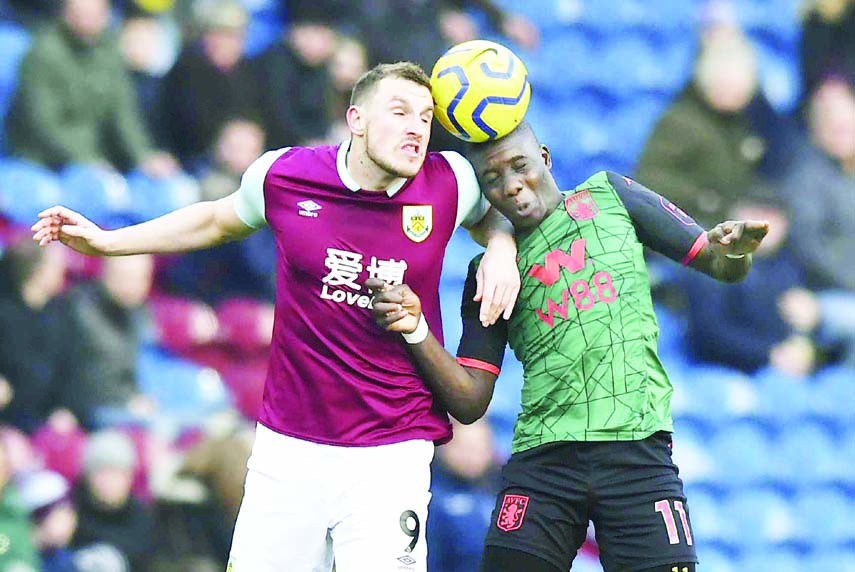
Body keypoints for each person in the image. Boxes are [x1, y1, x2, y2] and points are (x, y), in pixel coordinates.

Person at [31, 61, 520, 572]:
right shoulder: (287, 174)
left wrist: (503, 248)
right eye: (399, 112)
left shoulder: (450, 181)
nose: (417, 127)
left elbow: (497, 215)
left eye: (425, 116)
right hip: (290, 447)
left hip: (391, 450)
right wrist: (110, 243)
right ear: (356, 119)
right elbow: (217, 218)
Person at [368, 122, 768, 572]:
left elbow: (718, 262)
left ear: (545, 156)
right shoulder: (493, 272)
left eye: (520, 167)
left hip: (637, 453)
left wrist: (736, 251)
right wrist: (416, 327)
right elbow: (468, 400)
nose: (512, 186)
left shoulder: (611, 196)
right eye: (493, 180)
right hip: (545, 461)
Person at [6, 0, 176, 176]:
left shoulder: (108, 51)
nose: (88, 20)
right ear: (66, 13)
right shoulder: (43, 53)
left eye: (96, 13)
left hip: (94, 160)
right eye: (81, 13)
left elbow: (123, 114)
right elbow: (43, 123)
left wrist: (143, 156)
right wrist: (88, 158)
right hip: (40, 161)